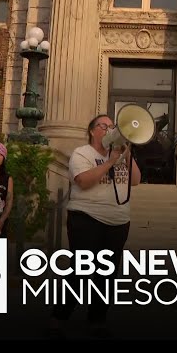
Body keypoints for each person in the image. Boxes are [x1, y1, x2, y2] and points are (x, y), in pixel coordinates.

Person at [48, 114, 141, 339]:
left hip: (118, 220)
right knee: (80, 271)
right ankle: (59, 318)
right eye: (103, 126)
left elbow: (136, 180)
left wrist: (126, 155)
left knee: (107, 274)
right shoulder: (83, 153)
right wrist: (110, 161)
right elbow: (83, 181)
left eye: (112, 127)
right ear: (92, 131)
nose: (109, 130)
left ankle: (97, 320)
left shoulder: (121, 154)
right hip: (86, 218)